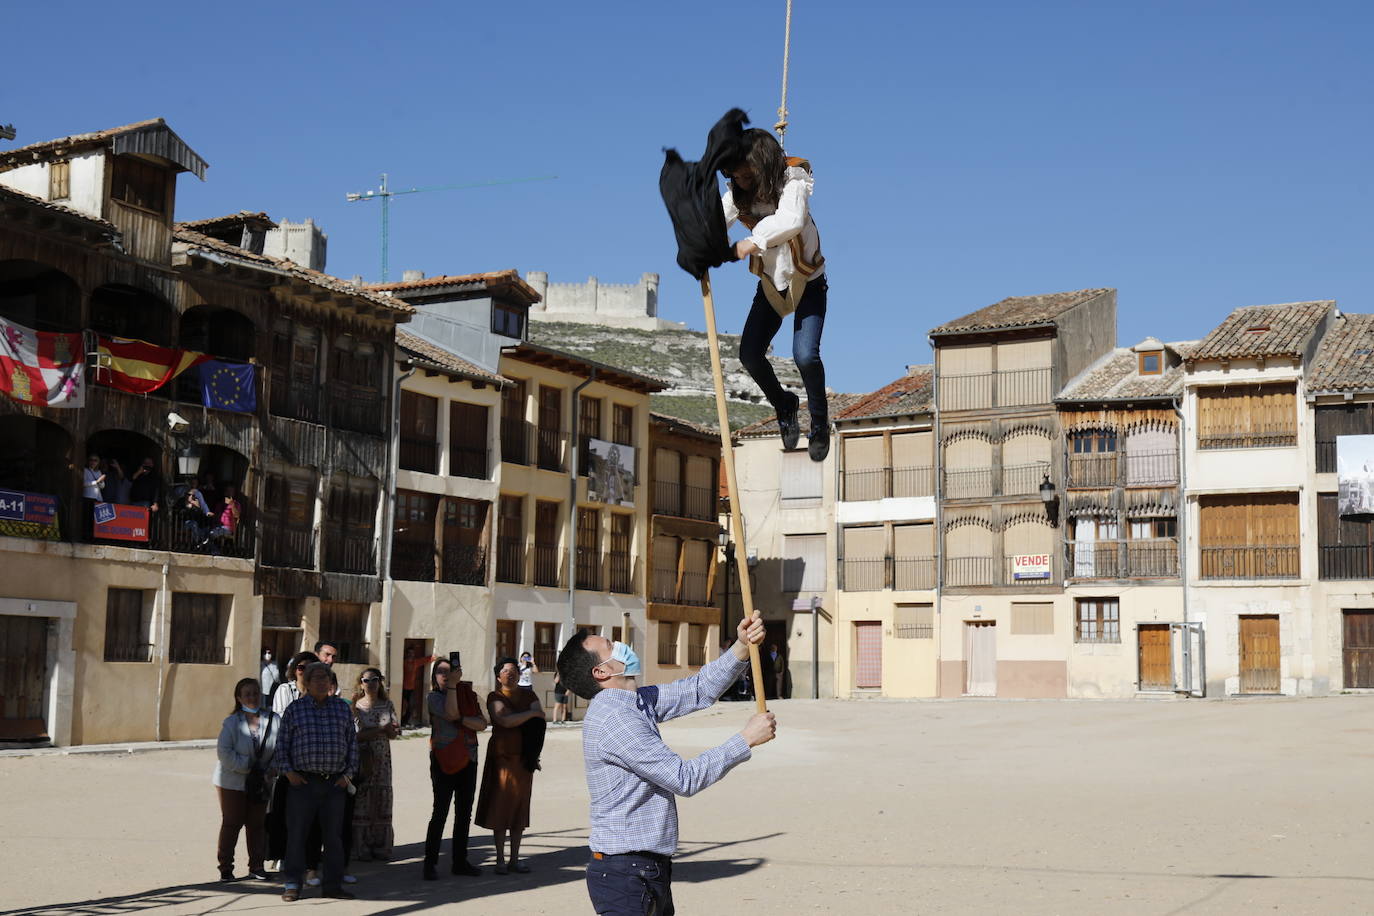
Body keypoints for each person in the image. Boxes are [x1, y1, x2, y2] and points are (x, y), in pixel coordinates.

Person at [557, 616, 776, 914]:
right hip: (626, 874)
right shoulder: (615, 720)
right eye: (611, 645)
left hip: (645, 868)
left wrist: (741, 646)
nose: (622, 646)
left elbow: (698, 689)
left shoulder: (632, 702)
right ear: (602, 671)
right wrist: (745, 739)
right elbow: (683, 778)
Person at [723, 127, 831, 462]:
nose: (740, 181)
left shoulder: (793, 181)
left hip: (808, 281)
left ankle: (819, 423)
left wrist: (752, 242)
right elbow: (714, 219)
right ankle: (785, 404)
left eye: (745, 174)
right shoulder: (738, 193)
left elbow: (792, 220)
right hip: (772, 284)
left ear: (762, 166)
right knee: (750, 355)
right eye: (735, 175)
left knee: (805, 356)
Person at [276, 662, 358, 902]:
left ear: (331, 683)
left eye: (326, 678)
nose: (322, 682)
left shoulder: (343, 710)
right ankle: (292, 884)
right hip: (303, 783)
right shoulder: (295, 710)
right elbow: (282, 745)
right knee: (297, 835)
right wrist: (289, 773)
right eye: (317, 678)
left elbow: (352, 744)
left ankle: (332, 885)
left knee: (333, 837)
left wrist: (348, 775)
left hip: (335, 784)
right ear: (308, 683)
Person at [475, 656, 545, 874]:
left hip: (524, 759)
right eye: (506, 670)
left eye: (514, 669)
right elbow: (503, 719)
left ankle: (515, 858)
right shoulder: (494, 696)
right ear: (498, 676)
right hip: (502, 758)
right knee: (500, 807)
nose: (511, 673)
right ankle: (499, 859)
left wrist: (528, 715)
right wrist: (530, 714)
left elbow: (539, 717)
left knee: (519, 808)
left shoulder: (529, 694)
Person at [424, 655, 487, 880]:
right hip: (444, 760)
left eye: (449, 671)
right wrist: (452, 688)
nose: (446, 675)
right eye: (441, 672)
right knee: (440, 812)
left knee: (464, 814)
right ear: (434, 677)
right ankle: (429, 863)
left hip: (468, 759)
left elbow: (482, 723)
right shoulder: (433, 697)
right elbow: (450, 713)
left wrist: (461, 719)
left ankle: (460, 862)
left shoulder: (467, 695)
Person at [214, 678, 279, 882]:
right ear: (239, 697)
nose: (252, 697)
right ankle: (226, 868)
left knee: (257, 824)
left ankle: (257, 866)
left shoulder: (274, 719)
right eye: (247, 693)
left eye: (255, 692)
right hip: (232, 782)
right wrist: (248, 766)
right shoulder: (232, 722)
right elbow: (223, 752)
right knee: (232, 823)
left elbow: (281, 747)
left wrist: (272, 769)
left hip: (261, 781)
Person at [351, 668, 399, 861]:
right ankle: (361, 847)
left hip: (383, 760)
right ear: (360, 683)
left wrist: (389, 730)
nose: (370, 684)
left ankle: (380, 846)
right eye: (366, 680)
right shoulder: (355, 706)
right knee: (362, 799)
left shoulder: (387, 704)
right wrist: (380, 729)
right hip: (363, 759)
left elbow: (395, 733)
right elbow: (355, 735)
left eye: (374, 680)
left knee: (381, 798)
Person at [402, 646, 436, 726]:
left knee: (411, 705)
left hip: (411, 689)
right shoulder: (404, 662)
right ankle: (402, 721)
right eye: (409, 653)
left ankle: (405, 721)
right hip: (403, 688)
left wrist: (436, 658)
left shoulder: (415, 662)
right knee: (403, 706)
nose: (411, 655)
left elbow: (425, 660)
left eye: (412, 653)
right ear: (407, 654)